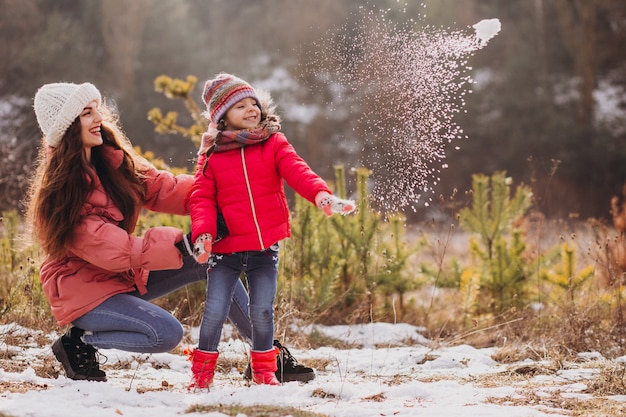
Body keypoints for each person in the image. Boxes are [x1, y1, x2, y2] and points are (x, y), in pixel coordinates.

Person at [25, 82, 315, 384]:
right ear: (69, 127)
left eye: (97, 109)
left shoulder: (111, 160)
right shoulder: (61, 190)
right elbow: (111, 248)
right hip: (84, 292)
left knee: (211, 257)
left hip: (122, 275)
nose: (99, 118)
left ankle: (266, 354)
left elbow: (164, 188)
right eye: (87, 113)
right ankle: (79, 342)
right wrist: (182, 245)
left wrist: (220, 188)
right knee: (164, 333)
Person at [184, 73, 355, 388]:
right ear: (222, 118)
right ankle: (201, 376)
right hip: (226, 251)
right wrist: (203, 234)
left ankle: (264, 372)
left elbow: (297, 170)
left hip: (264, 248)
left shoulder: (273, 141)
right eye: (240, 106)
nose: (251, 109)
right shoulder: (211, 154)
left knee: (261, 311)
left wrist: (321, 194)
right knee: (214, 313)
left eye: (253, 103)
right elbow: (201, 199)